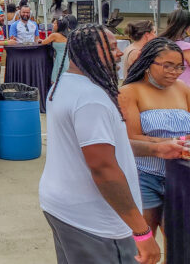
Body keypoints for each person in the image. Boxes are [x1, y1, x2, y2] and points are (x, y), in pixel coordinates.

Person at [41, 24, 179, 264]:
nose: (119, 53)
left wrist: (156, 148)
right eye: (113, 47)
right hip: (94, 220)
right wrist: (142, 231)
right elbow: (103, 168)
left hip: (62, 206)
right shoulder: (91, 99)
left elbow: (105, 145)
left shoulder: (62, 85)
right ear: (91, 51)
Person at [119, 38, 190, 252]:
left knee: (179, 241)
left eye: (179, 66)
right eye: (167, 65)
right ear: (148, 63)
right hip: (145, 177)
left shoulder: (183, 89)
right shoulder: (130, 92)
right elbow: (130, 138)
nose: (175, 72)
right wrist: (171, 144)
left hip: (180, 176)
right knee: (143, 243)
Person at [158, 9, 190, 86]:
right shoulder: (185, 47)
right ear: (186, 27)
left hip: (166, 87)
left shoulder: (160, 43)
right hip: (184, 89)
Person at [41, 16, 73, 84]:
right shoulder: (69, 34)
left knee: (55, 81)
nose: (53, 25)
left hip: (60, 59)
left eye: (55, 23)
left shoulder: (54, 35)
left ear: (59, 26)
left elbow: (43, 42)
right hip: (68, 59)